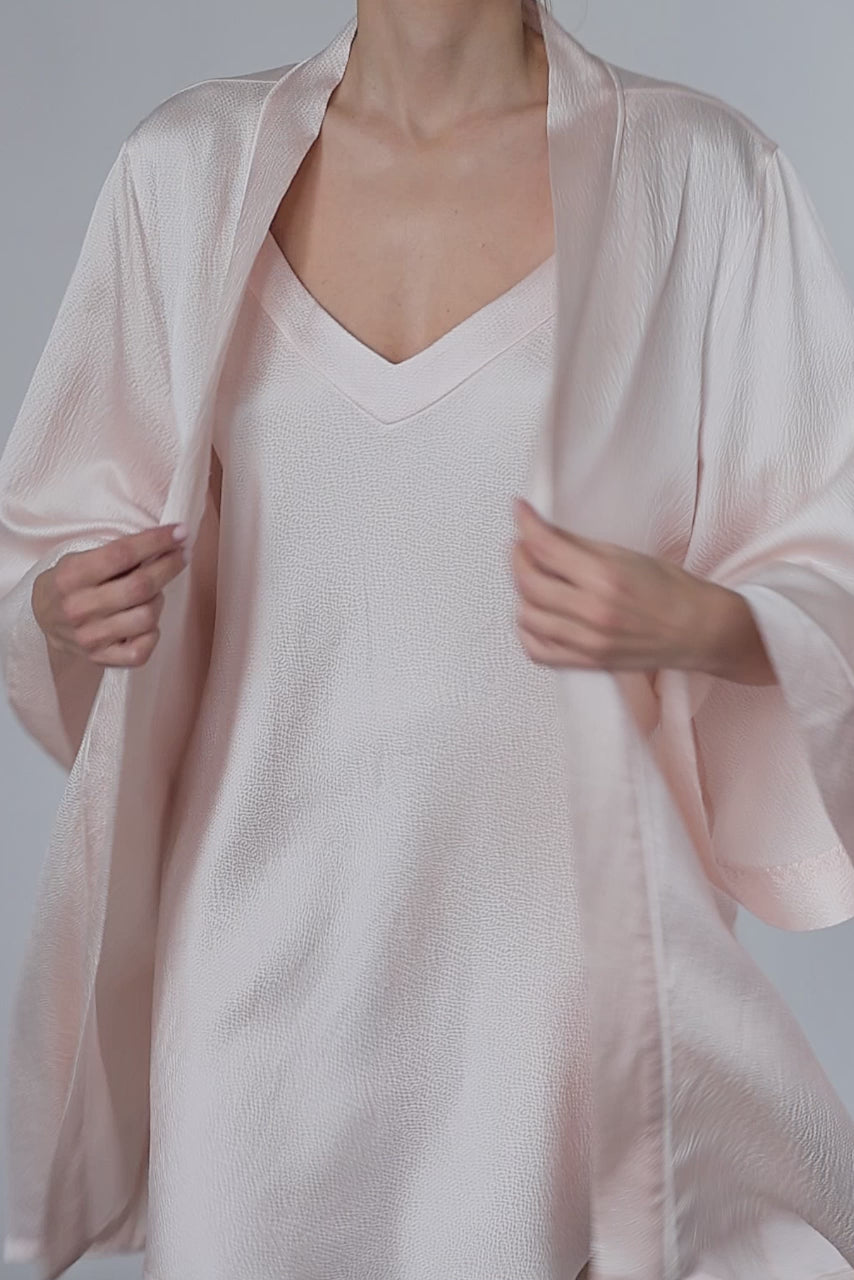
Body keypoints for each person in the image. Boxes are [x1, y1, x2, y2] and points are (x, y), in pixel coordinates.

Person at [4, 1, 854, 1278]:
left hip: (546, 967)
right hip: (243, 943)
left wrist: (702, 619)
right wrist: (60, 608)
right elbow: (50, 538)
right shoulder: (184, 171)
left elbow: (826, 558)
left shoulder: (699, 175)